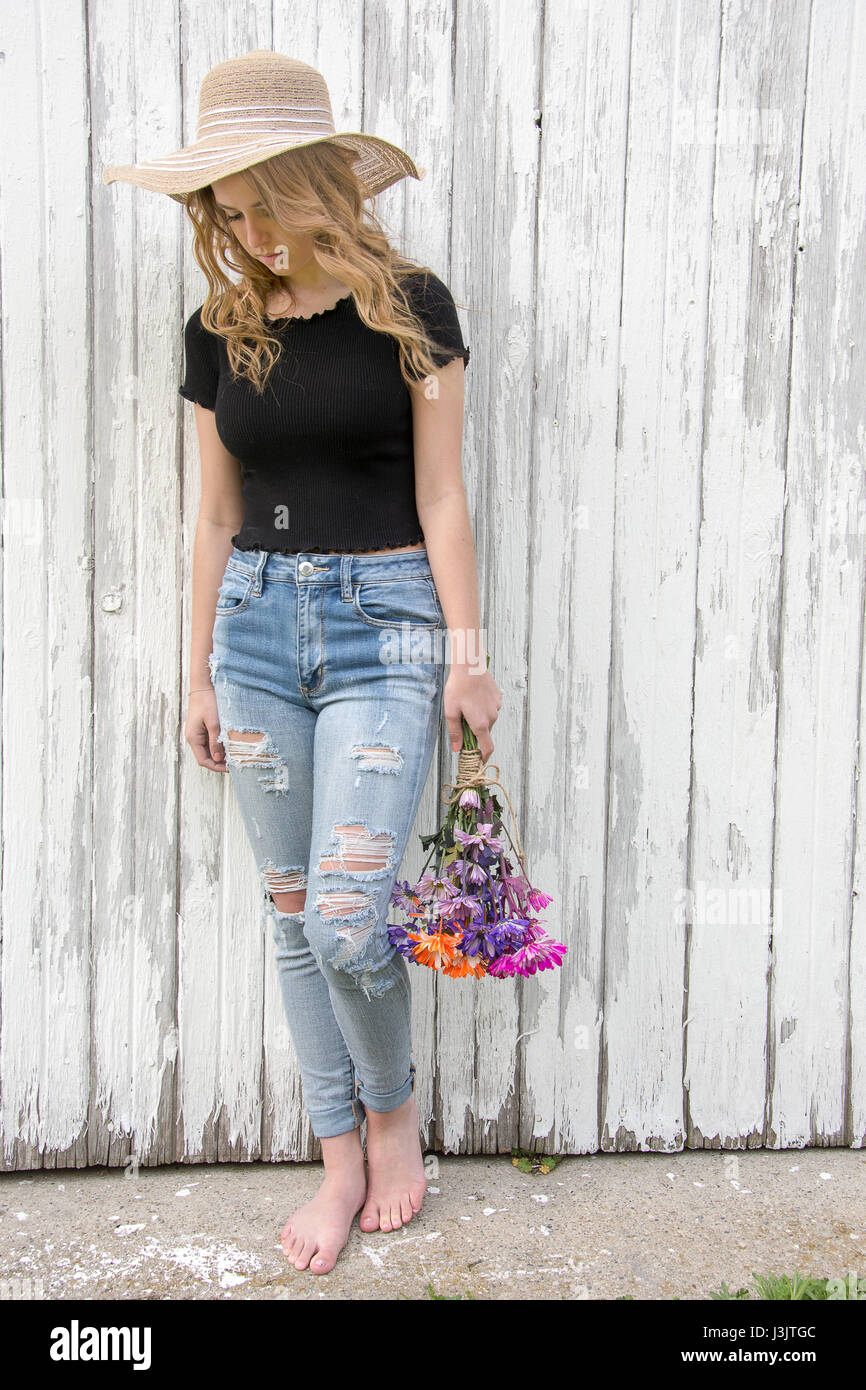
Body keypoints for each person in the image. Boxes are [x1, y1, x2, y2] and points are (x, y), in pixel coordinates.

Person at [103, 49, 501, 1276]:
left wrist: (469, 660)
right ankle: (339, 1161)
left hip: (386, 623)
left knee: (344, 918)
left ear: (317, 180)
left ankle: (396, 1122)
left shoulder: (411, 306)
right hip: (258, 629)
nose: (248, 230)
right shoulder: (216, 329)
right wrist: (199, 669)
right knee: (292, 919)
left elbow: (442, 496)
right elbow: (213, 515)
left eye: (261, 200)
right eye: (226, 212)